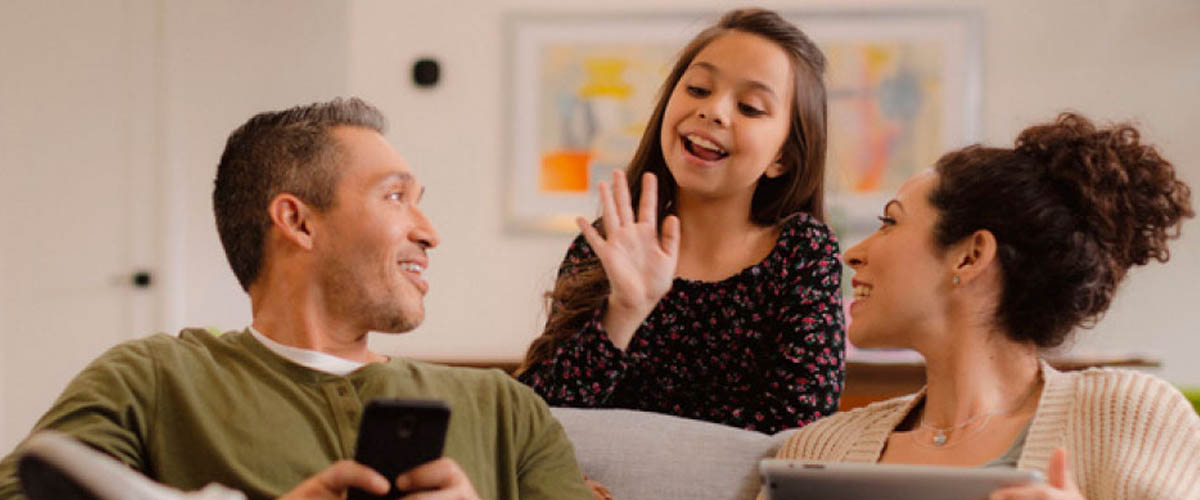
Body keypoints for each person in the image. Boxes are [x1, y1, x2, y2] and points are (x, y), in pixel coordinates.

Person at [0, 98, 593, 500]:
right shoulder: (155, 379)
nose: (429, 231)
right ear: (297, 222)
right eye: (395, 197)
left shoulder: (503, 408)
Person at [770, 113, 1200, 499]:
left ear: (970, 256)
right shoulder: (822, 448)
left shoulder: (1125, 416)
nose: (854, 254)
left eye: (890, 223)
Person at [516, 8, 844, 435]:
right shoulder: (608, 243)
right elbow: (539, 421)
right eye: (698, 88)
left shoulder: (802, 250)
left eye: (749, 106)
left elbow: (802, 426)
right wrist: (624, 313)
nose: (714, 111)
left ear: (783, 157)